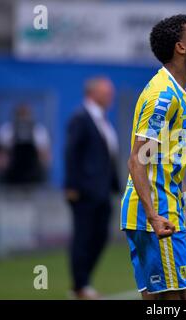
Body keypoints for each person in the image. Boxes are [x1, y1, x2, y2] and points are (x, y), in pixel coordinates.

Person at [121, 14, 186, 300]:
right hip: (155, 214)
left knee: (168, 299)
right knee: (173, 301)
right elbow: (137, 160)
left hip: (165, 211)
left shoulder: (179, 93)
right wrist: (153, 215)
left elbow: (169, 166)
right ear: (180, 47)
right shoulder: (163, 96)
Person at [64, 77, 122, 299]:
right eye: (107, 92)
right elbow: (71, 153)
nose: (111, 96)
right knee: (83, 237)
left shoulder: (102, 121)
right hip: (85, 191)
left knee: (100, 236)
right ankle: (81, 285)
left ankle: (83, 281)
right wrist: (71, 185)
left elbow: (108, 156)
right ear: (92, 93)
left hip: (102, 191)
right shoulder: (81, 118)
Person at [0, 104, 50, 185]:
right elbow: (1, 155)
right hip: (12, 172)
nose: (23, 118)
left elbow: (45, 155)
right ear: (15, 115)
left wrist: (43, 170)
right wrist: (2, 169)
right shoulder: (6, 130)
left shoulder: (39, 131)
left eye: (25, 115)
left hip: (33, 172)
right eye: (20, 115)